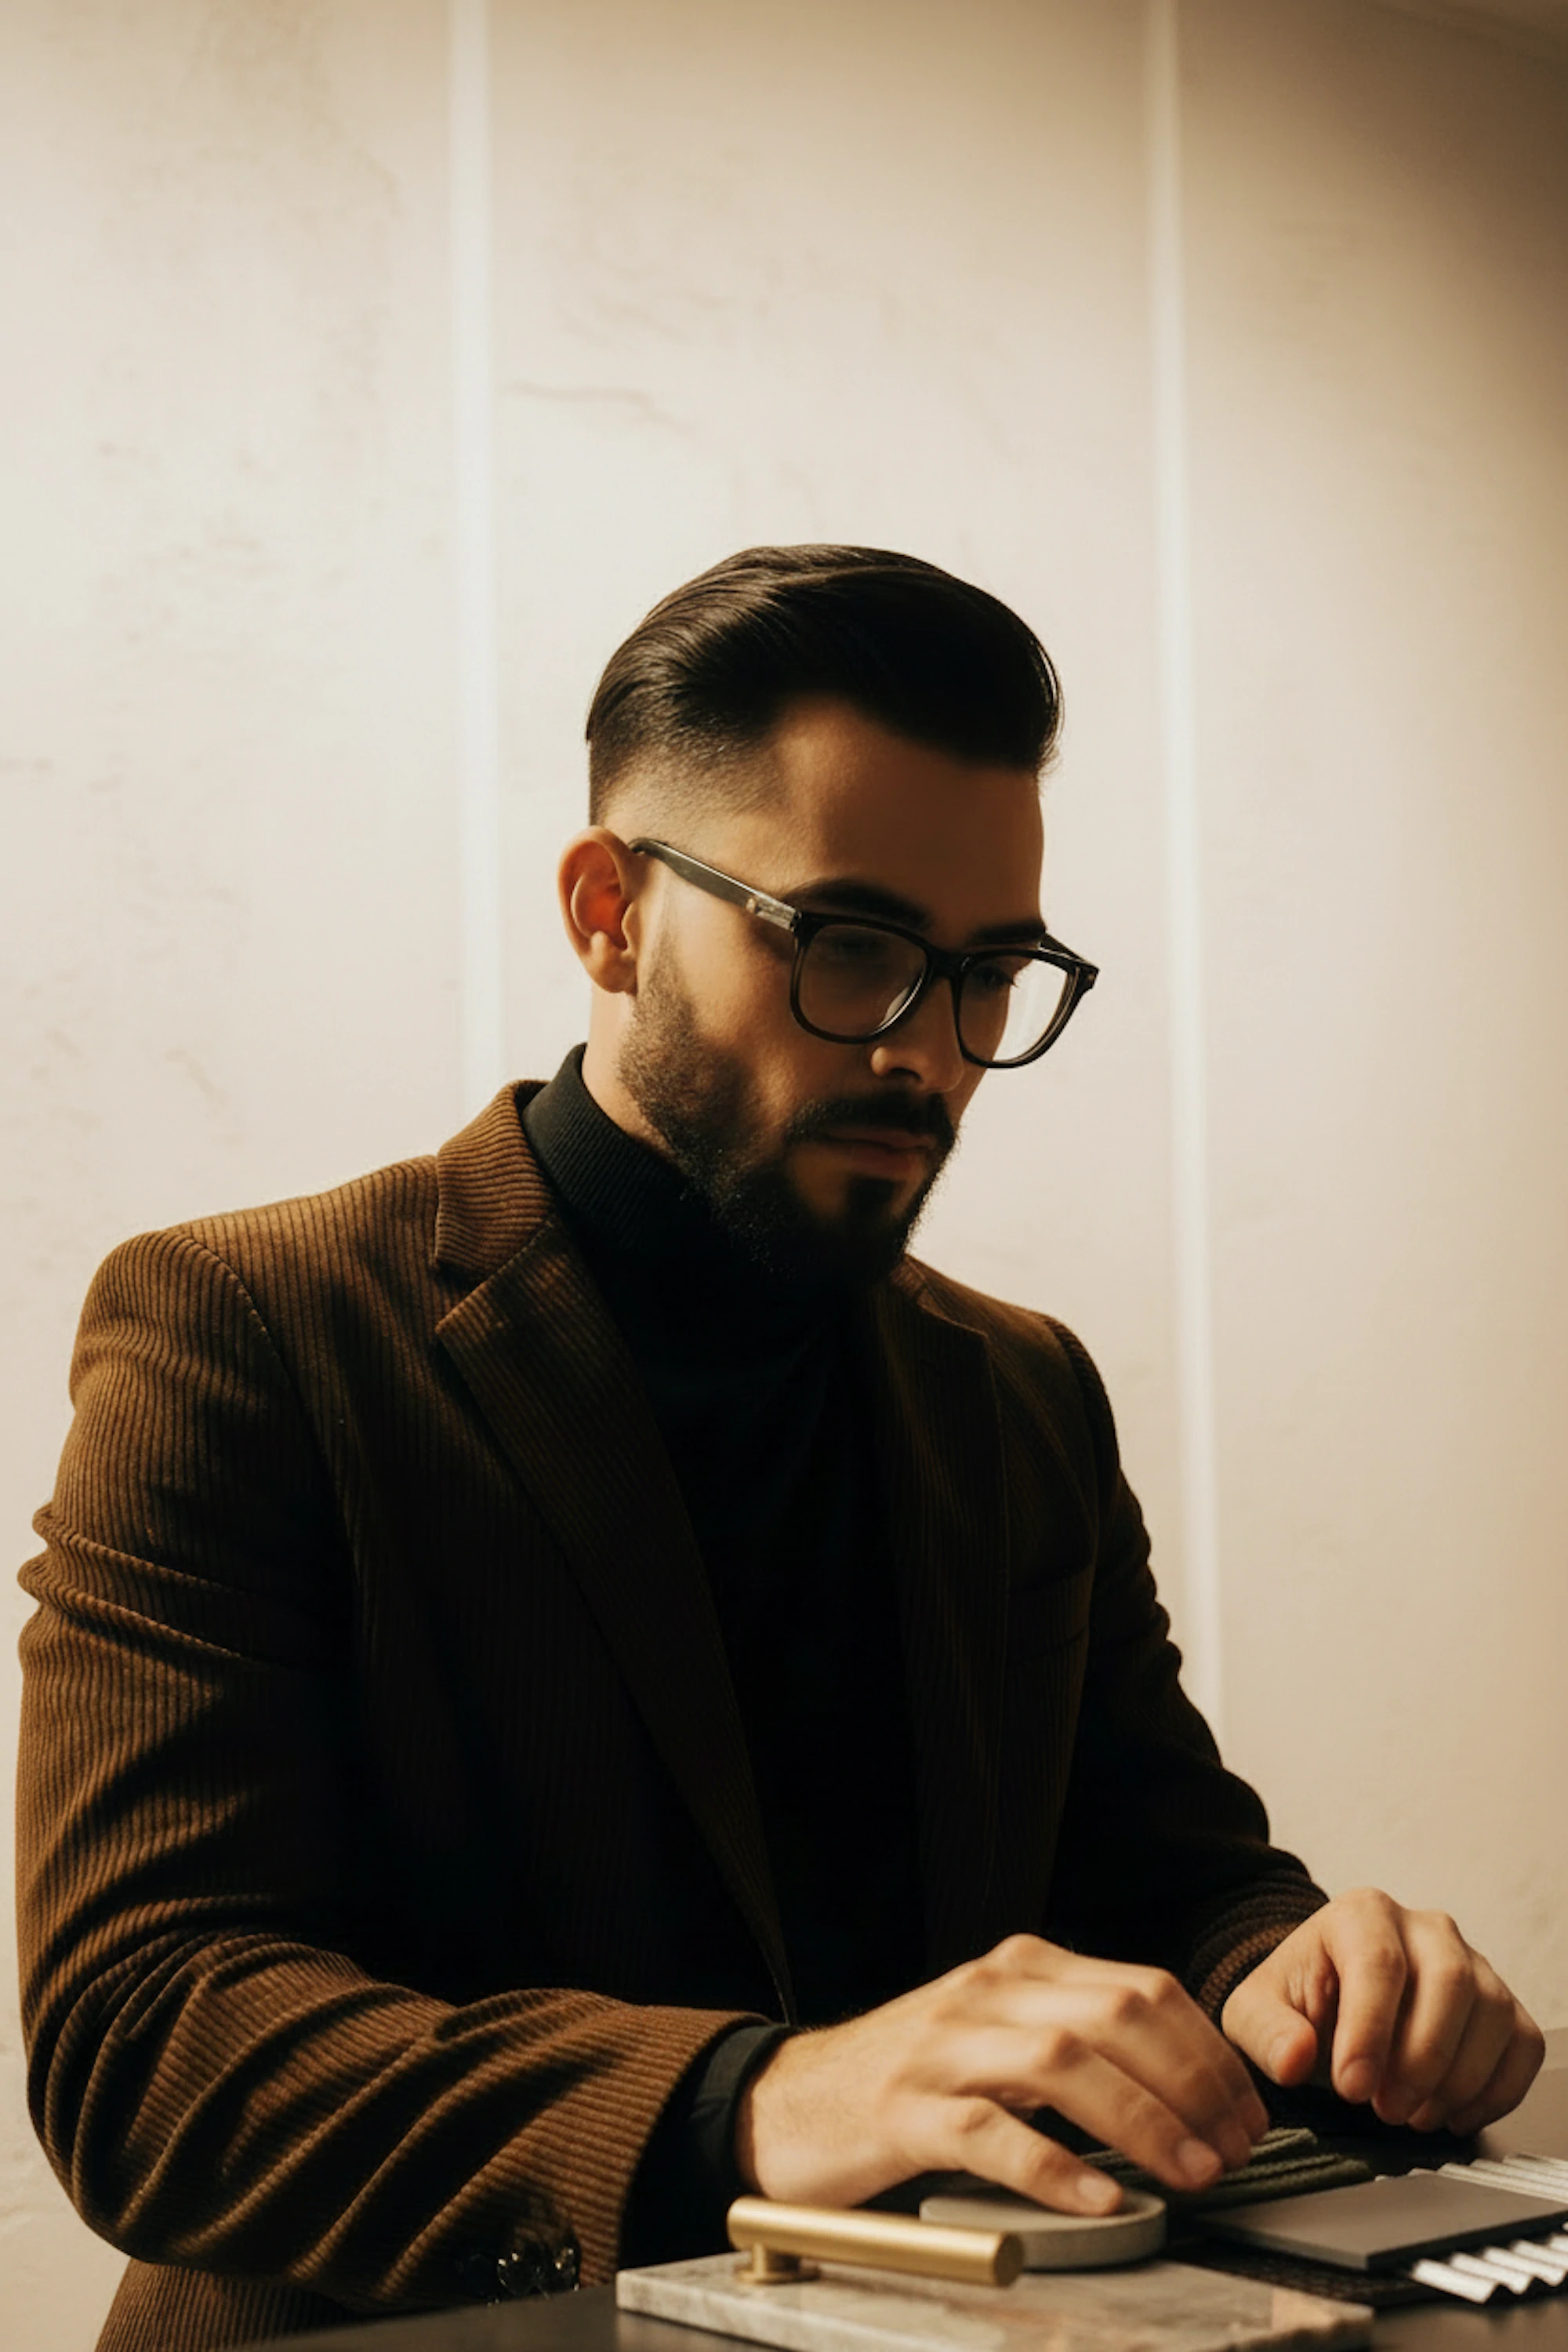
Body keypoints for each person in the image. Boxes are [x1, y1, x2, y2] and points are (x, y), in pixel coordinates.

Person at [17, 546, 1542, 2352]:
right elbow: (145, 2038)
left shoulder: (1022, 1389)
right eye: (851, 946)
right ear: (606, 911)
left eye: (988, 973)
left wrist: (1304, 1976)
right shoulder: (249, 1326)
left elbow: (1162, 1870)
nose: (928, 1055)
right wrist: (765, 2102)